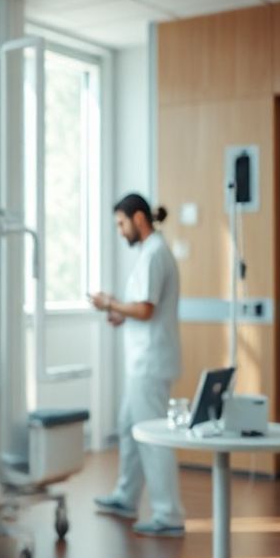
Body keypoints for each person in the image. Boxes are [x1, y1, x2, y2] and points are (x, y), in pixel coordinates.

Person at [88, 193, 185, 537]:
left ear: (139, 219)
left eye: (121, 223)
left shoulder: (155, 253)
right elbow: (142, 310)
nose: (120, 231)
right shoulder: (151, 252)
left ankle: (168, 515)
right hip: (144, 359)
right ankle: (126, 496)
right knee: (129, 426)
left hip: (150, 362)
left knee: (152, 437)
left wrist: (109, 303)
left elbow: (146, 309)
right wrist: (119, 314)